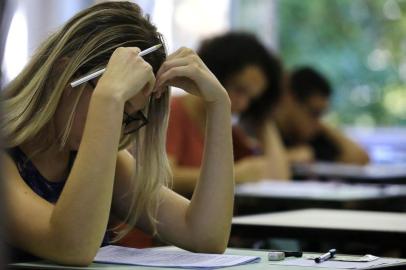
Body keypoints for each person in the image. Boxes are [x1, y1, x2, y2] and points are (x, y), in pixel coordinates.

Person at [1, 1, 234, 266]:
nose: (117, 125)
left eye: (129, 115)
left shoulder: (103, 161)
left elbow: (206, 236)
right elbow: (72, 246)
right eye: (116, 105)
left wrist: (218, 106)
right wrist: (108, 99)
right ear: (61, 74)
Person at [167, 32, 290, 196]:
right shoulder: (173, 111)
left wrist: (263, 118)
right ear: (215, 74)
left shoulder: (226, 127)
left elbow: (278, 178)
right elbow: (161, 179)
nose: (243, 104)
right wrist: (234, 176)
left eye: (252, 99)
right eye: (239, 90)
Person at [272, 67, 370, 164]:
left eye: (321, 115)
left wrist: (326, 129)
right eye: (314, 113)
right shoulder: (267, 130)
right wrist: (291, 157)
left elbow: (361, 159)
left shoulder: (315, 137)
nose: (317, 122)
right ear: (290, 100)